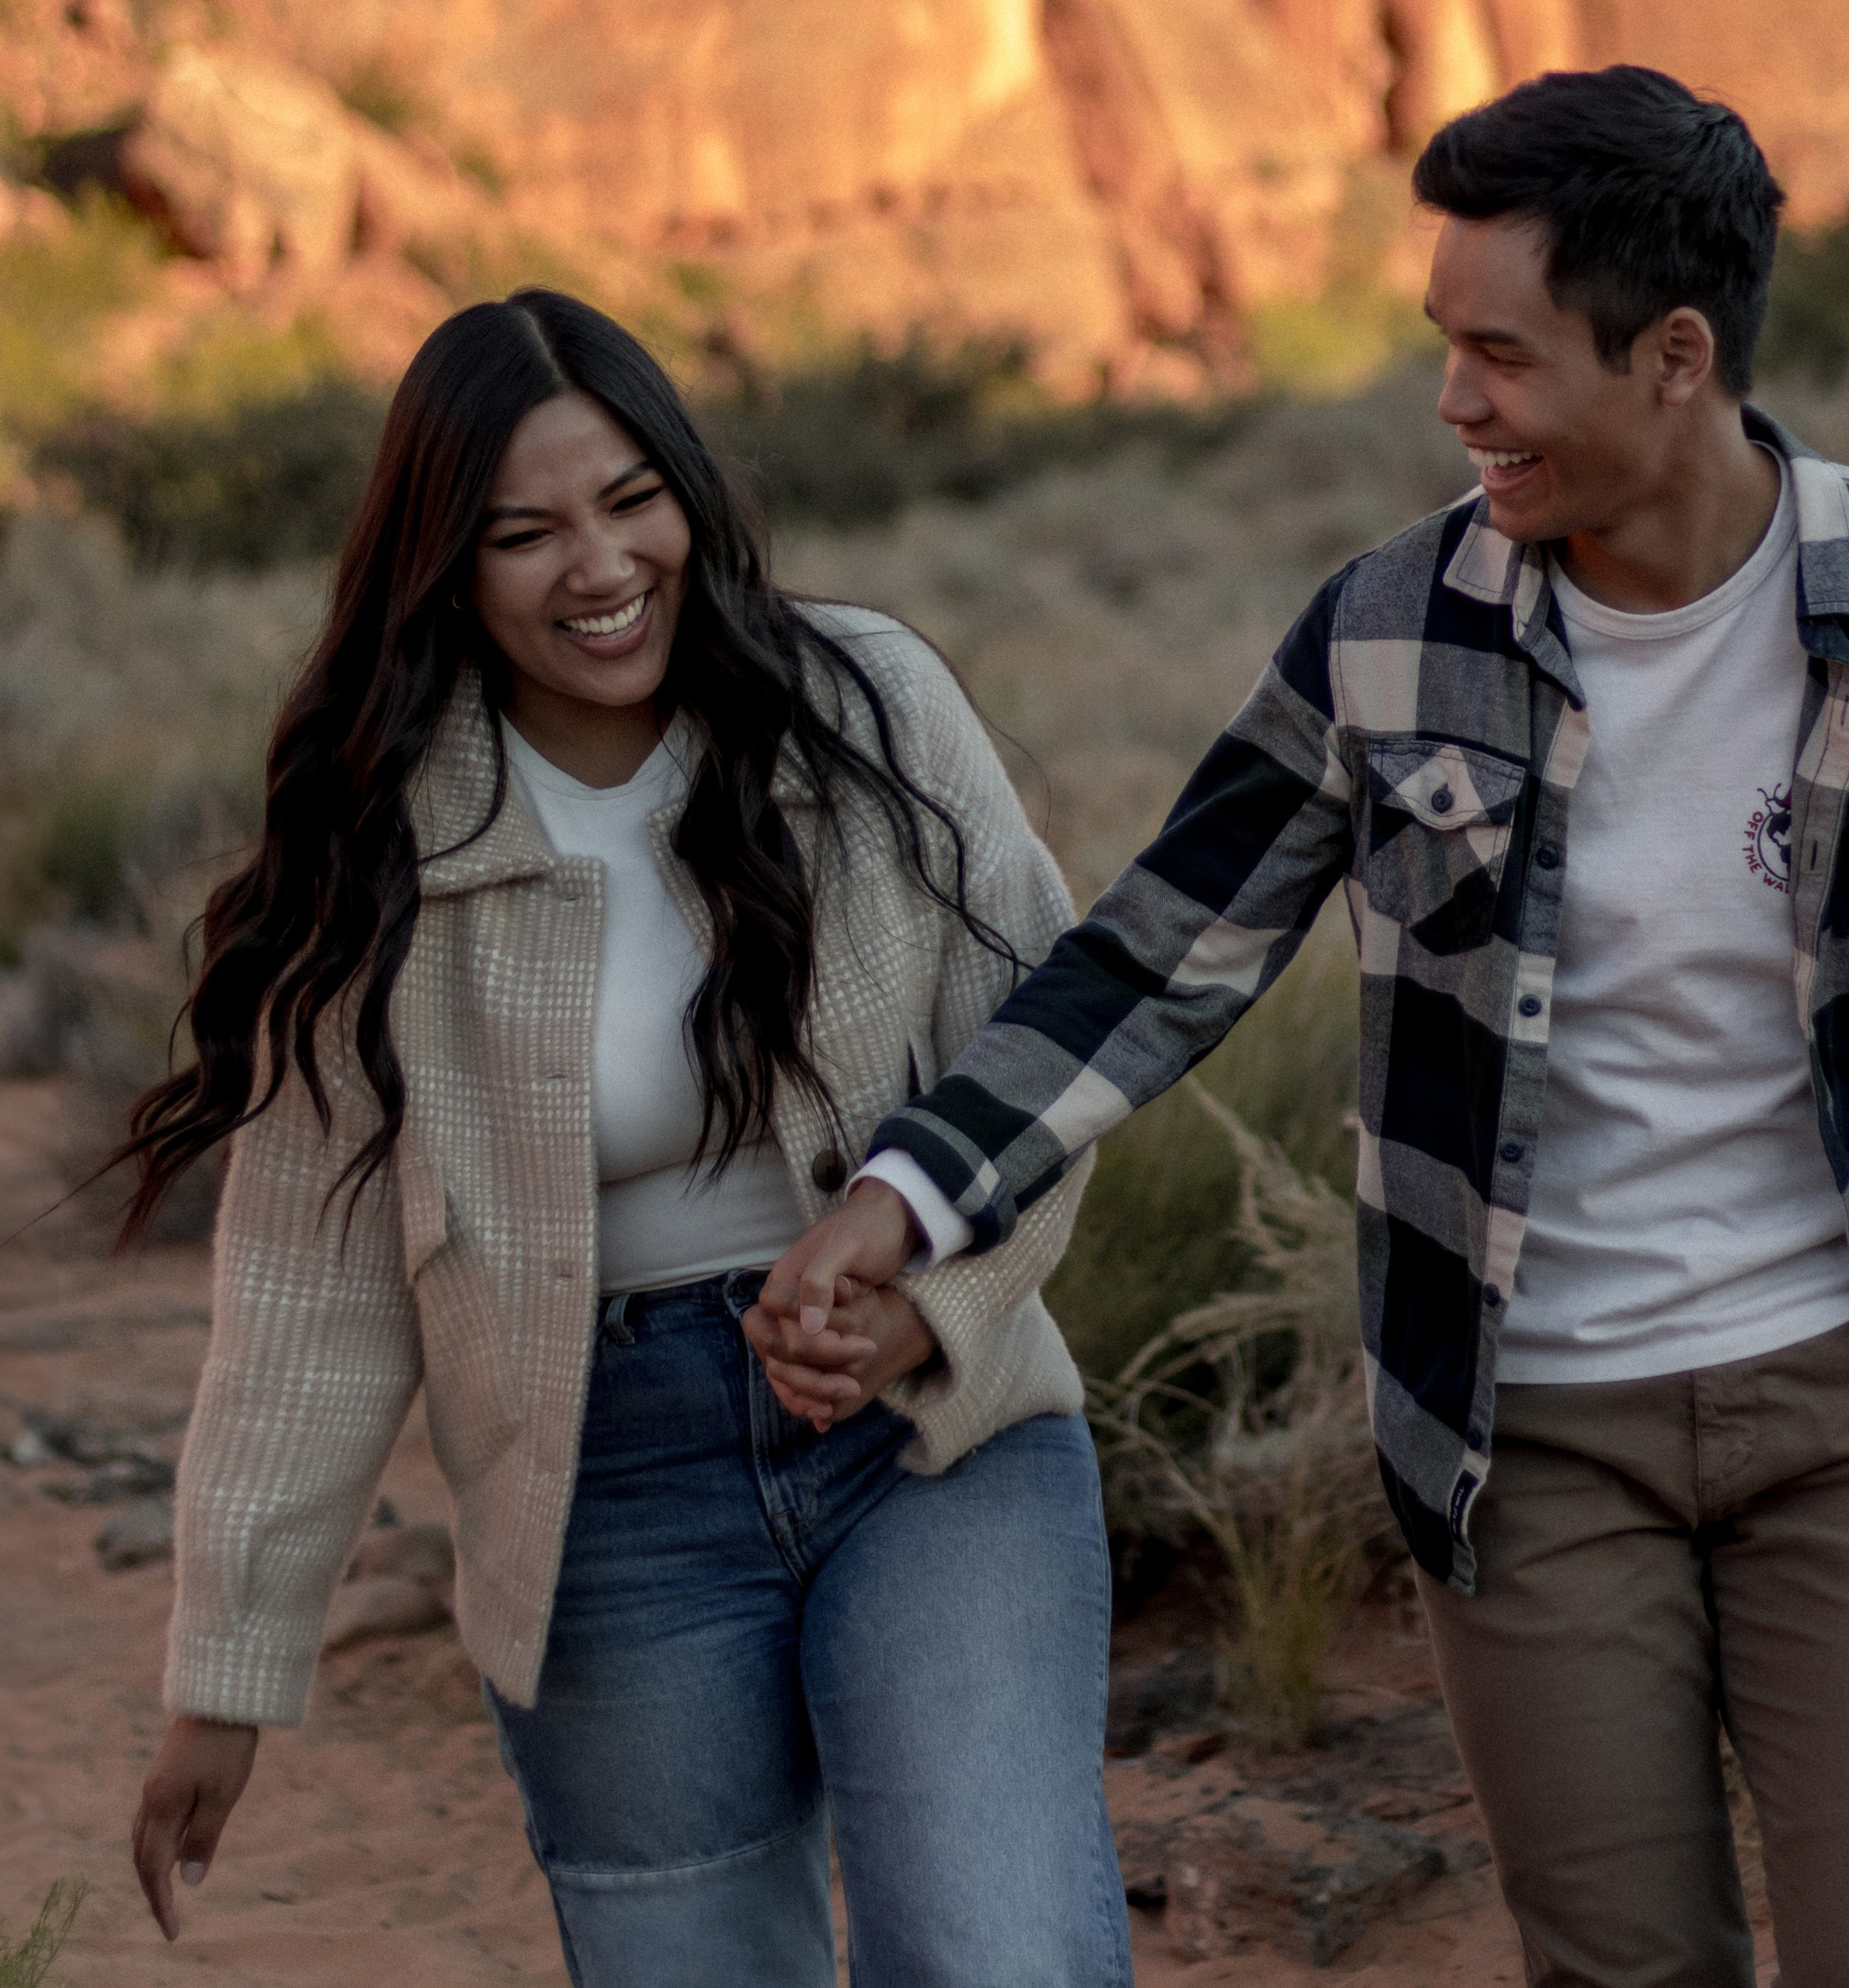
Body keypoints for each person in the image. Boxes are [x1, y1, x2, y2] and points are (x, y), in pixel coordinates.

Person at [762, 68, 1849, 1988]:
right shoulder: (1387, 633)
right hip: (1528, 1433)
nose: (1453, 400)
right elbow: (1155, 952)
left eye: (1499, 356)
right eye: (1444, 345)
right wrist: (910, 1194)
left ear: (1671, 354)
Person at [120, 289, 1132, 1988]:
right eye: (524, 532)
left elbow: (1043, 1049)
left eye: (629, 498)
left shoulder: (863, 702)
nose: (597, 565)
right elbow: (307, 1288)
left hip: (933, 1430)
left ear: (690, 490)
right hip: (598, 1486)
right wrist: (227, 1674)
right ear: (443, 560)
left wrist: (930, 1304)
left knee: (995, 1948)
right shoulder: (383, 842)